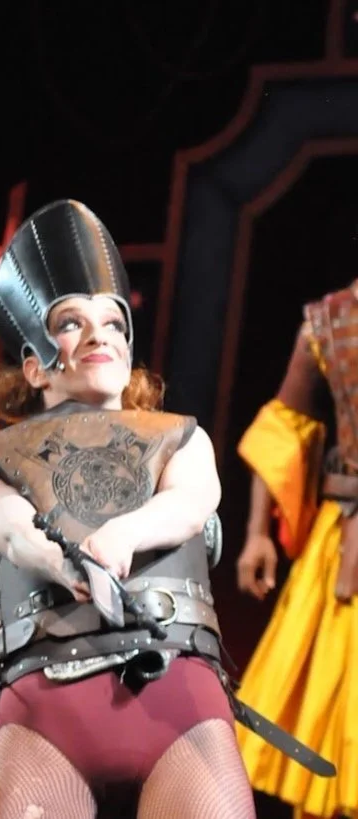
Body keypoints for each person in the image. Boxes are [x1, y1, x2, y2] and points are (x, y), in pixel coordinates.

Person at [0, 199, 257, 819]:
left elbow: (190, 503)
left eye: (115, 324)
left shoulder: (182, 438)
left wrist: (122, 535)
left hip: (179, 707)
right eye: (71, 322)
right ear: (34, 366)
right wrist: (57, 559)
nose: (100, 335)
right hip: (45, 712)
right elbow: (6, 528)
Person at [236, 281, 358, 819]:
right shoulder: (332, 320)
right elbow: (283, 429)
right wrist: (257, 533)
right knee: (335, 723)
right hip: (346, 546)